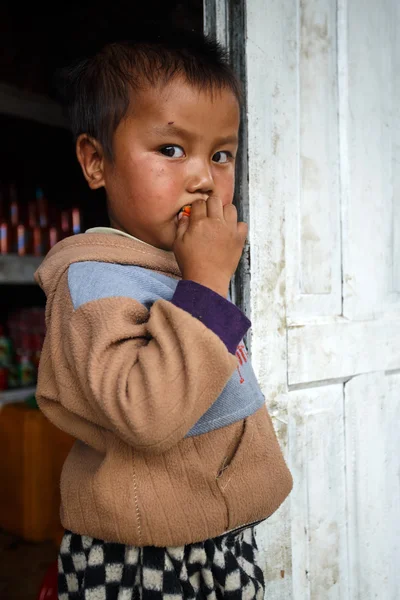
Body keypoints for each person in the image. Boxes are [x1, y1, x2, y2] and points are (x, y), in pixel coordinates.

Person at [35, 27, 293, 600]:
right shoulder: (93, 282)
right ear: (96, 161)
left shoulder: (177, 269)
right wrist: (205, 283)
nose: (203, 177)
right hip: (139, 558)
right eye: (171, 150)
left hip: (217, 539)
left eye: (221, 154)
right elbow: (147, 413)